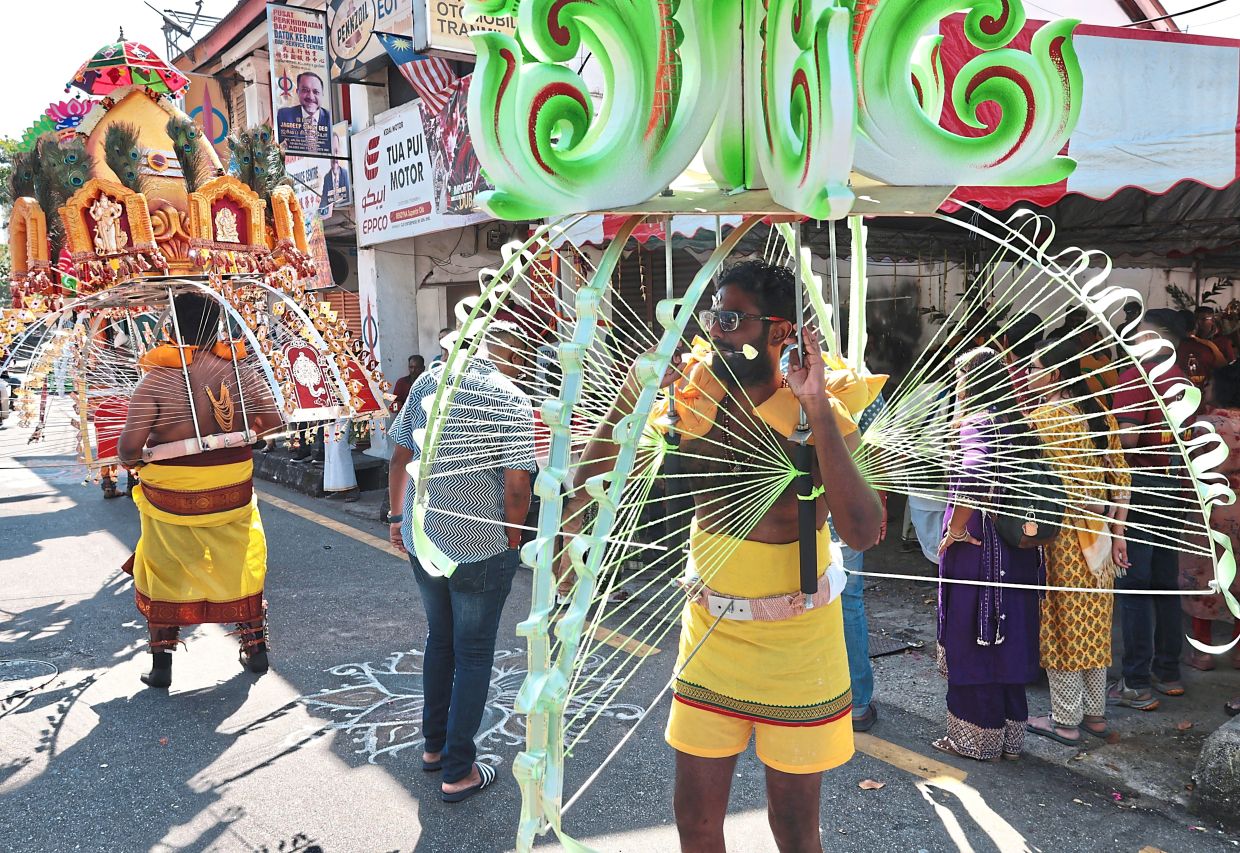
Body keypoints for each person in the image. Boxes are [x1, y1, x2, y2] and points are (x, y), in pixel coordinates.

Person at [570, 261, 882, 851]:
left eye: (732, 318)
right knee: (694, 819)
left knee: (793, 827)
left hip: (797, 645)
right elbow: (591, 477)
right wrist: (634, 395)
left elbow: (863, 532)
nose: (716, 330)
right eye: (714, 316)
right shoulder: (692, 395)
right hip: (709, 637)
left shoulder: (822, 409)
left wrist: (814, 406)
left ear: (781, 331)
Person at [387, 326, 536, 802]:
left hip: (424, 537)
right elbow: (517, 487)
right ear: (505, 353)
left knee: (441, 641)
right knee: (472, 654)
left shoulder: (428, 384)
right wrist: (514, 538)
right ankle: (458, 770)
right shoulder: (507, 395)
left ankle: (434, 750)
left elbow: (399, 457)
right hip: (479, 544)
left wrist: (396, 517)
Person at [117, 293, 280, 688]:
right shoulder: (243, 373)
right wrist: (237, 438)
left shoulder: (156, 381)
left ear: (172, 329)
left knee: (163, 565)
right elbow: (273, 424)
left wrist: (138, 463)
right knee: (240, 556)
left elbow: (127, 450)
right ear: (220, 328)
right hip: (233, 489)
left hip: (171, 495)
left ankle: (162, 666)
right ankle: (256, 649)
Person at [934, 346, 1042, 762]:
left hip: (980, 550)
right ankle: (1010, 740)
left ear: (968, 383)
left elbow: (975, 473)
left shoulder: (977, 423)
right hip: (1017, 551)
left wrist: (956, 527)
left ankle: (975, 740)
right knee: (1009, 639)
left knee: (972, 636)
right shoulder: (1019, 425)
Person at [1023, 339, 1131, 745]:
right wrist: (1119, 534)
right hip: (1100, 536)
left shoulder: (1044, 418)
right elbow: (1121, 482)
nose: (1029, 375)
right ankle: (1095, 714)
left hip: (1062, 538)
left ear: (1055, 373)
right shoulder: (1099, 413)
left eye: (1035, 368)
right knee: (1095, 624)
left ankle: (1065, 719)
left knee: (1062, 624)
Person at [1109, 308, 1196, 709]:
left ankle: (1135, 681)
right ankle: (1168, 671)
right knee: (1163, 581)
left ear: (1158, 339)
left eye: (1140, 334)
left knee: (1133, 584)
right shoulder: (1181, 378)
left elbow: (1125, 440)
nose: (1133, 340)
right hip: (1173, 484)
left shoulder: (1136, 376)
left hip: (1140, 485)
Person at [1180, 362, 1240, 678]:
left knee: (1202, 573)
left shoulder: (1205, 425)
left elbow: (1186, 472)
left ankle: (1202, 652)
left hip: (1211, 509)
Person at [276, 71, 331, 155]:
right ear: (297, 92)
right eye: (305, 90)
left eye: (316, 92)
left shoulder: (330, 119)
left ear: (322, 94)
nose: (311, 97)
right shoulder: (284, 115)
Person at [1179, 307, 1228, 389]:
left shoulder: (1222, 342)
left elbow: (1227, 370)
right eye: (1196, 319)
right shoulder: (1186, 343)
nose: (1198, 324)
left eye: (1203, 319)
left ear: (1212, 321)